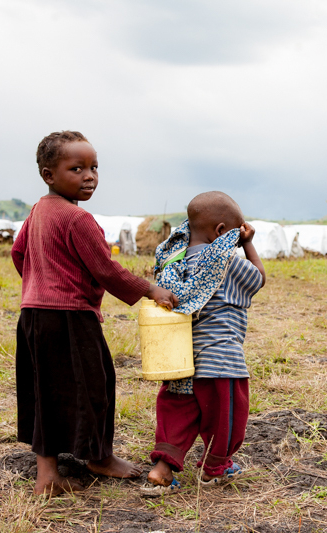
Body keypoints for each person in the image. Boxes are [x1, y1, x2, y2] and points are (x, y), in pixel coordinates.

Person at [11, 131, 178, 497]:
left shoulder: (38, 211)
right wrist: (151, 289)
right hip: (70, 317)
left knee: (45, 391)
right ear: (48, 174)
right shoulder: (77, 219)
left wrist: (38, 282)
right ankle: (98, 457)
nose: (90, 176)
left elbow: (18, 253)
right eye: (77, 168)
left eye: (94, 167)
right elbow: (105, 269)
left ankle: (48, 475)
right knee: (95, 388)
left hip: (33, 316)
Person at [144, 191, 265, 495]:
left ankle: (162, 469)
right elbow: (259, 278)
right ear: (222, 232)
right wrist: (247, 243)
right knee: (224, 415)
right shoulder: (227, 263)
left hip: (180, 357)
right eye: (236, 233)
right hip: (220, 359)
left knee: (178, 411)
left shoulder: (171, 264)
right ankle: (215, 468)